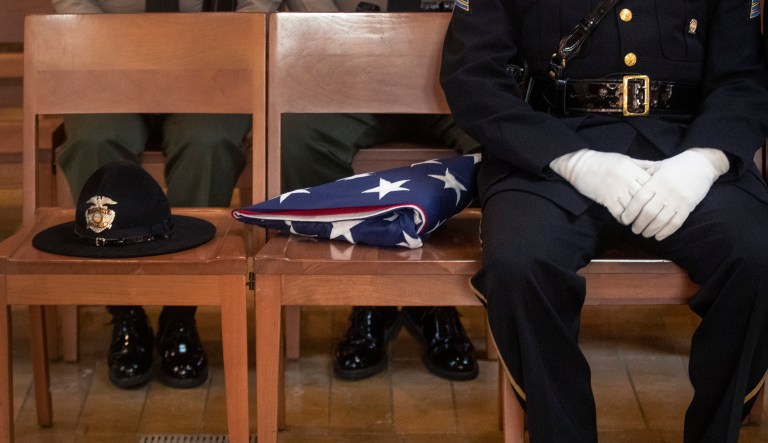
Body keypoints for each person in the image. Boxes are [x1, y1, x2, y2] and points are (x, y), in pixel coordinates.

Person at [440, 0, 768, 441]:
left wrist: (706, 160)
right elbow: (473, 76)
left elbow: (744, 77)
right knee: (519, 263)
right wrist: (571, 160)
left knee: (758, 257)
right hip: (553, 151)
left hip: (682, 149)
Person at [50, 0, 280, 390]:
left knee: (208, 143)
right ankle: (125, 312)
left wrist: (198, 47)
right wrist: (129, 49)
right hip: (106, 69)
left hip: (210, 69)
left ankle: (180, 310)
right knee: (94, 140)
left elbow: (258, 6)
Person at [280, 0, 481, 382]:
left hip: (453, 78)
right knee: (299, 138)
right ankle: (367, 298)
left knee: (501, 141)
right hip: (354, 73)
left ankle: (440, 297)